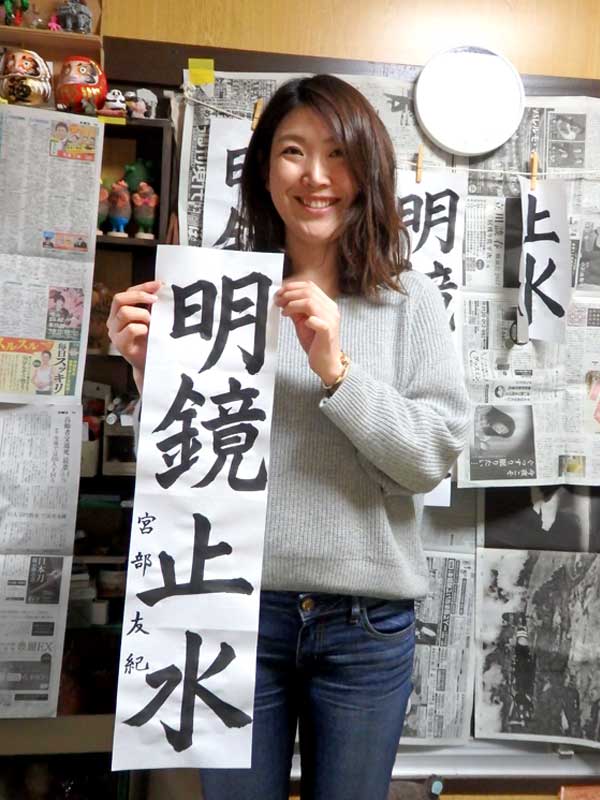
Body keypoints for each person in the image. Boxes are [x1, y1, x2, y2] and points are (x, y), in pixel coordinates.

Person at [107, 74, 470, 800]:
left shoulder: (409, 300)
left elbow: (430, 457)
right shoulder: (218, 295)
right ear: (265, 169)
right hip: (230, 609)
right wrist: (150, 374)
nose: (315, 177)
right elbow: (184, 470)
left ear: (367, 170)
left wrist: (338, 370)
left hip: (364, 625)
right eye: (293, 151)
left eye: (337, 154)